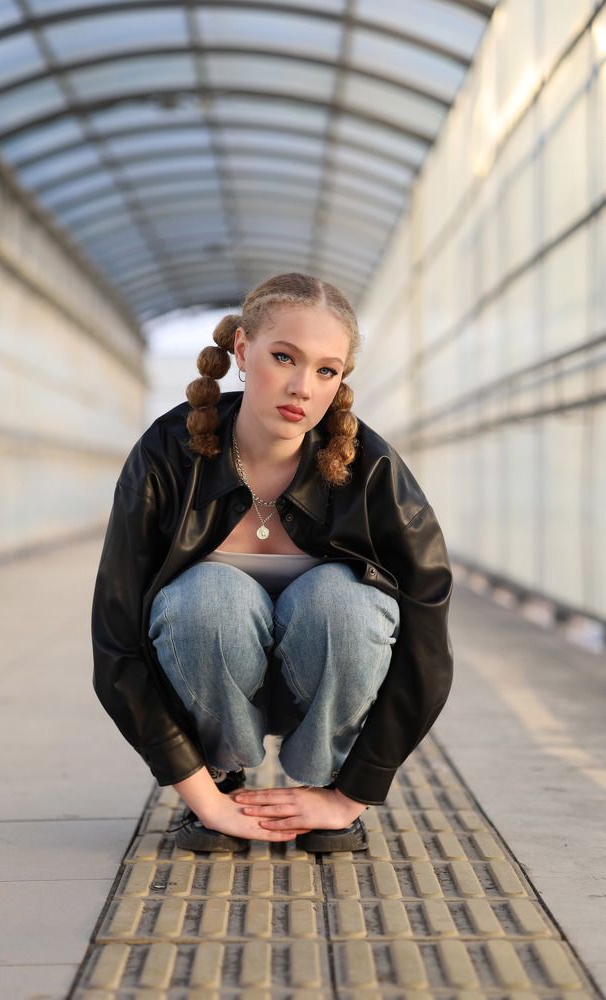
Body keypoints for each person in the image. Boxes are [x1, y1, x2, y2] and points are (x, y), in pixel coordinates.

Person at [91, 272, 453, 853]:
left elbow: (428, 642)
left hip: (325, 693)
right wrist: (205, 801)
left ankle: (321, 780)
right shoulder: (166, 456)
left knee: (345, 603)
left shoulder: (372, 471)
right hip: (207, 690)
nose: (302, 387)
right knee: (209, 597)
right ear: (242, 350)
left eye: (326, 371)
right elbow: (115, 642)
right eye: (284, 357)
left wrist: (350, 797)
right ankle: (223, 774)